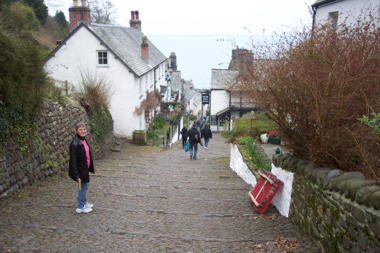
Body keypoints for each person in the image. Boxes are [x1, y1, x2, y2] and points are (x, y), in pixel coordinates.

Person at [69, 122, 95, 214]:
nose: (83, 131)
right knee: (82, 188)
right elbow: (73, 161)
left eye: (84, 129)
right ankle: (80, 206)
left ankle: (84, 202)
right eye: (80, 129)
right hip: (80, 171)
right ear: (76, 131)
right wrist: (76, 175)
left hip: (85, 168)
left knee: (85, 186)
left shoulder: (83, 140)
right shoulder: (75, 144)